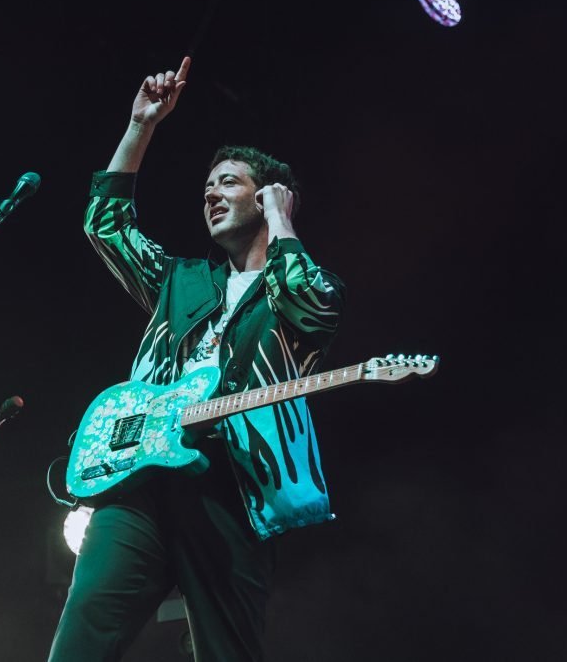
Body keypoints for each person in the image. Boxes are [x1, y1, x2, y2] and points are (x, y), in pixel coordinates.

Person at [49, 56, 346, 662]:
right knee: (83, 636)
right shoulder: (182, 281)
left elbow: (315, 308)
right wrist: (140, 127)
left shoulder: (297, 289)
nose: (211, 193)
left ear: (267, 196)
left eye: (229, 183)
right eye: (208, 186)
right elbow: (106, 227)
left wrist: (282, 222)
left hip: (232, 487)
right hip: (139, 478)